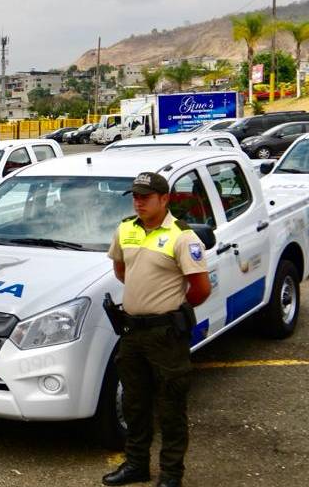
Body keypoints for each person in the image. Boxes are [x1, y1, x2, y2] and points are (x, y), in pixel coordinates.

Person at [103, 171, 212, 487]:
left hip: (165, 335)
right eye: (135, 196)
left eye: (145, 197)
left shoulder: (182, 236)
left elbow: (201, 289)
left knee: (170, 406)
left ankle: (171, 475)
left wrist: (168, 305)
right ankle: (136, 465)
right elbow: (122, 270)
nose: (138, 202)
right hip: (133, 332)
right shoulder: (126, 229)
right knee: (133, 404)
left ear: (165, 199)